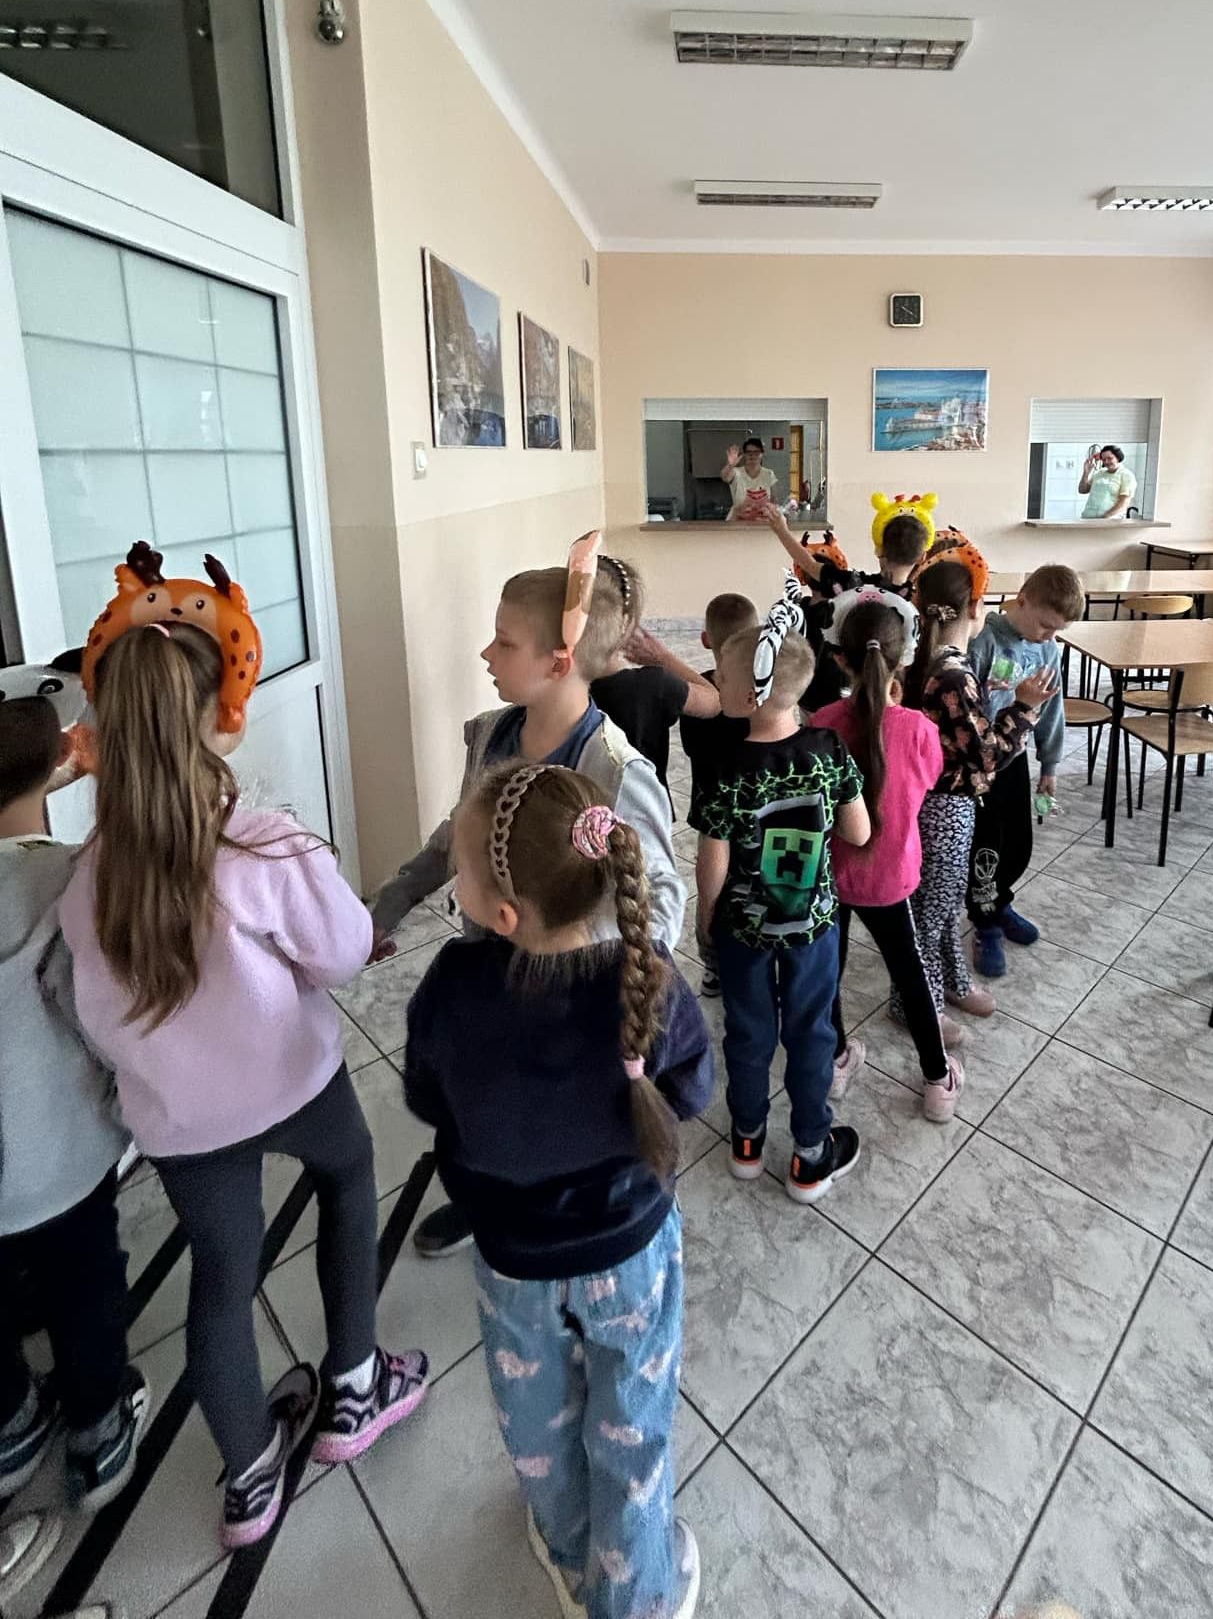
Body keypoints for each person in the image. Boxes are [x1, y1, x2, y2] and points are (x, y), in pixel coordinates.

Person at [58, 623, 427, 1548]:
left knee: (222, 1277)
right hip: (295, 1084)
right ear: (213, 722)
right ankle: (355, 1385)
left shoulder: (83, 885)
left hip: (182, 1123)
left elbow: (94, 1022)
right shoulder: (262, 847)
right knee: (348, 1180)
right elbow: (342, 951)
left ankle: (250, 1478)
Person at [404, 763, 711, 1619]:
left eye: (460, 871)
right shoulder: (647, 977)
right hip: (633, 1251)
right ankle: (634, 1595)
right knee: (633, 1420)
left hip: (514, 1263)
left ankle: (568, 1550)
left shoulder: (451, 988)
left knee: (534, 1417)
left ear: (504, 914)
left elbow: (428, 1098)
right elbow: (691, 1091)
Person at [371, 544, 686, 1258]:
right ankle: (486, 1197)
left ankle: (581, 1222)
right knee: (491, 1108)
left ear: (558, 661)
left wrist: (598, 959)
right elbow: (458, 836)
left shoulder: (615, 770)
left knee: (568, 1122)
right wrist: (387, 907)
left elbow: (661, 896)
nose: (486, 653)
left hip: (576, 995)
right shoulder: (492, 736)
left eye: (504, 642)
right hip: (492, 976)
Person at [0, 696, 148, 1518]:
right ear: (63, 762)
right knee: (85, 1279)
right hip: (60, 1149)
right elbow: (95, 1012)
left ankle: (12, 1426)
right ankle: (98, 1429)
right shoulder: (66, 878)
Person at [695, 618, 870, 1202]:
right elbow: (859, 832)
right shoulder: (829, 752)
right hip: (812, 926)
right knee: (812, 1034)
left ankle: (746, 1141)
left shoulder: (723, 764)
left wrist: (707, 918)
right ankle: (810, 1156)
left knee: (747, 1033)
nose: (716, 684)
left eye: (721, 678)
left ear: (749, 694)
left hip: (744, 929)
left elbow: (713, 861)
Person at [805, 599, 963, 1121]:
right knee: (910, 973)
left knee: (828, 972)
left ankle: (835, 1060)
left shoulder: (822, 723)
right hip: (890, 878)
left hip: (830, 876)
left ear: (839, 659)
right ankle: (937, 1078)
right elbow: (927, 781)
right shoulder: (919, 730)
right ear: (904, 660)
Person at [904, 560, 1038, 1024]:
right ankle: (915, 1005)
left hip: (947, 804)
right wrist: (1024, 709)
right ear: (976, 607)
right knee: (931, 911)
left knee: (944, 904)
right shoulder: (953, 675)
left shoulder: (939, 661)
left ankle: (953, 981)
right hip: (943, 807)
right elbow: (986, 756)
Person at [967, 563, 1085, 978]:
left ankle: (1000, 903)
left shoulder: (1047, 650)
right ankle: (984, 921)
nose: (1050, 637)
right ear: (1022, 601)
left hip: (1015, 761)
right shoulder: (982, 642)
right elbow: (963, 711)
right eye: (1046, 625)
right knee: (985, 849)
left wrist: (1049, 764)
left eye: (1058, 631)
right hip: (980, 766)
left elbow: (1052, 709)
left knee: (1018, 844)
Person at [767, 499, 933, 711]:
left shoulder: (850, 584)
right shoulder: (917, 604)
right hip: (888, 696)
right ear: (922, 557)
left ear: (880, 550)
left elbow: (808, 563)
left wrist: (781, 529)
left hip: (834, 691)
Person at [677, 592, 759, 996]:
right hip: (758, 812)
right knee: (754, 884)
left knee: (712, 887)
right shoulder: (761, 694)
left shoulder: (697, 694)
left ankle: (713, 967)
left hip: (711, 813)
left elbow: (692, 748)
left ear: (706, 639)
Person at [588, 557, 722, 784]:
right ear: (628, 625)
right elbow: (714, 701)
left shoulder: (555, 687)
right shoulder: (655, 685)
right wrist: (663, 658)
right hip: (646, 803)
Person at [720, 438, 779, 521]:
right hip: (737, 520)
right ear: (745, 454)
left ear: (762, 454)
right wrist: (730, 465)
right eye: (749, 452)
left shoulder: (769, 474)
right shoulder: (736, 472)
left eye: (756, 452)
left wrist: (773, 510)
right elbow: (724, 477)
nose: (752, 455)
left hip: (762, 521)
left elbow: (774, 499)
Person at [1078, 444, 1137, 519]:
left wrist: (1105, 517)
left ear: (1118, 458)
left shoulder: (1127, 475)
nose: (1106, 462)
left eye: (1110, 458)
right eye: (1104, 459)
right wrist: (1086, 473)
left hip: (1110, 521)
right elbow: (1082, 490)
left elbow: (1124, 502)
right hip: (1088, 518)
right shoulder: (1099, 473)